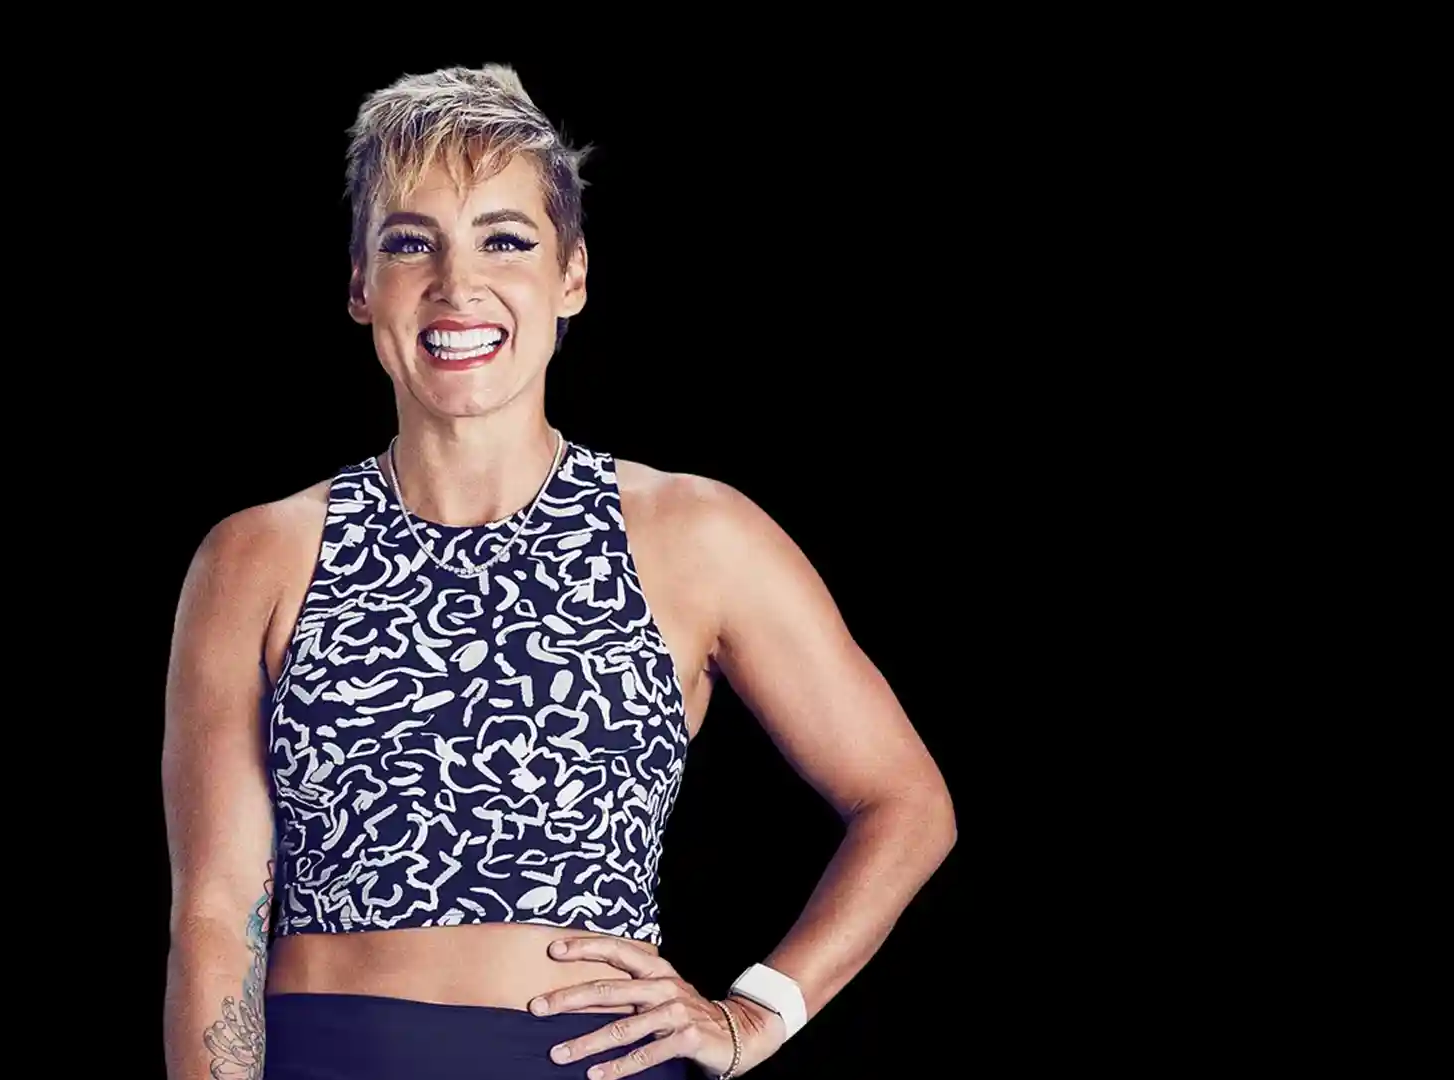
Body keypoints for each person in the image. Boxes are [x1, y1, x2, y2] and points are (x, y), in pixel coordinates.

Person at [163, 64, 957, 1080]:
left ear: (572, 276)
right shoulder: (257, 554)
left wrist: (758, 1011)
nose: (457, 285)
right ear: (361, 284)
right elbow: (216, 911)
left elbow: (905, 801)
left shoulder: (695, 534)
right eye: (410, 242)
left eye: (504, 239)